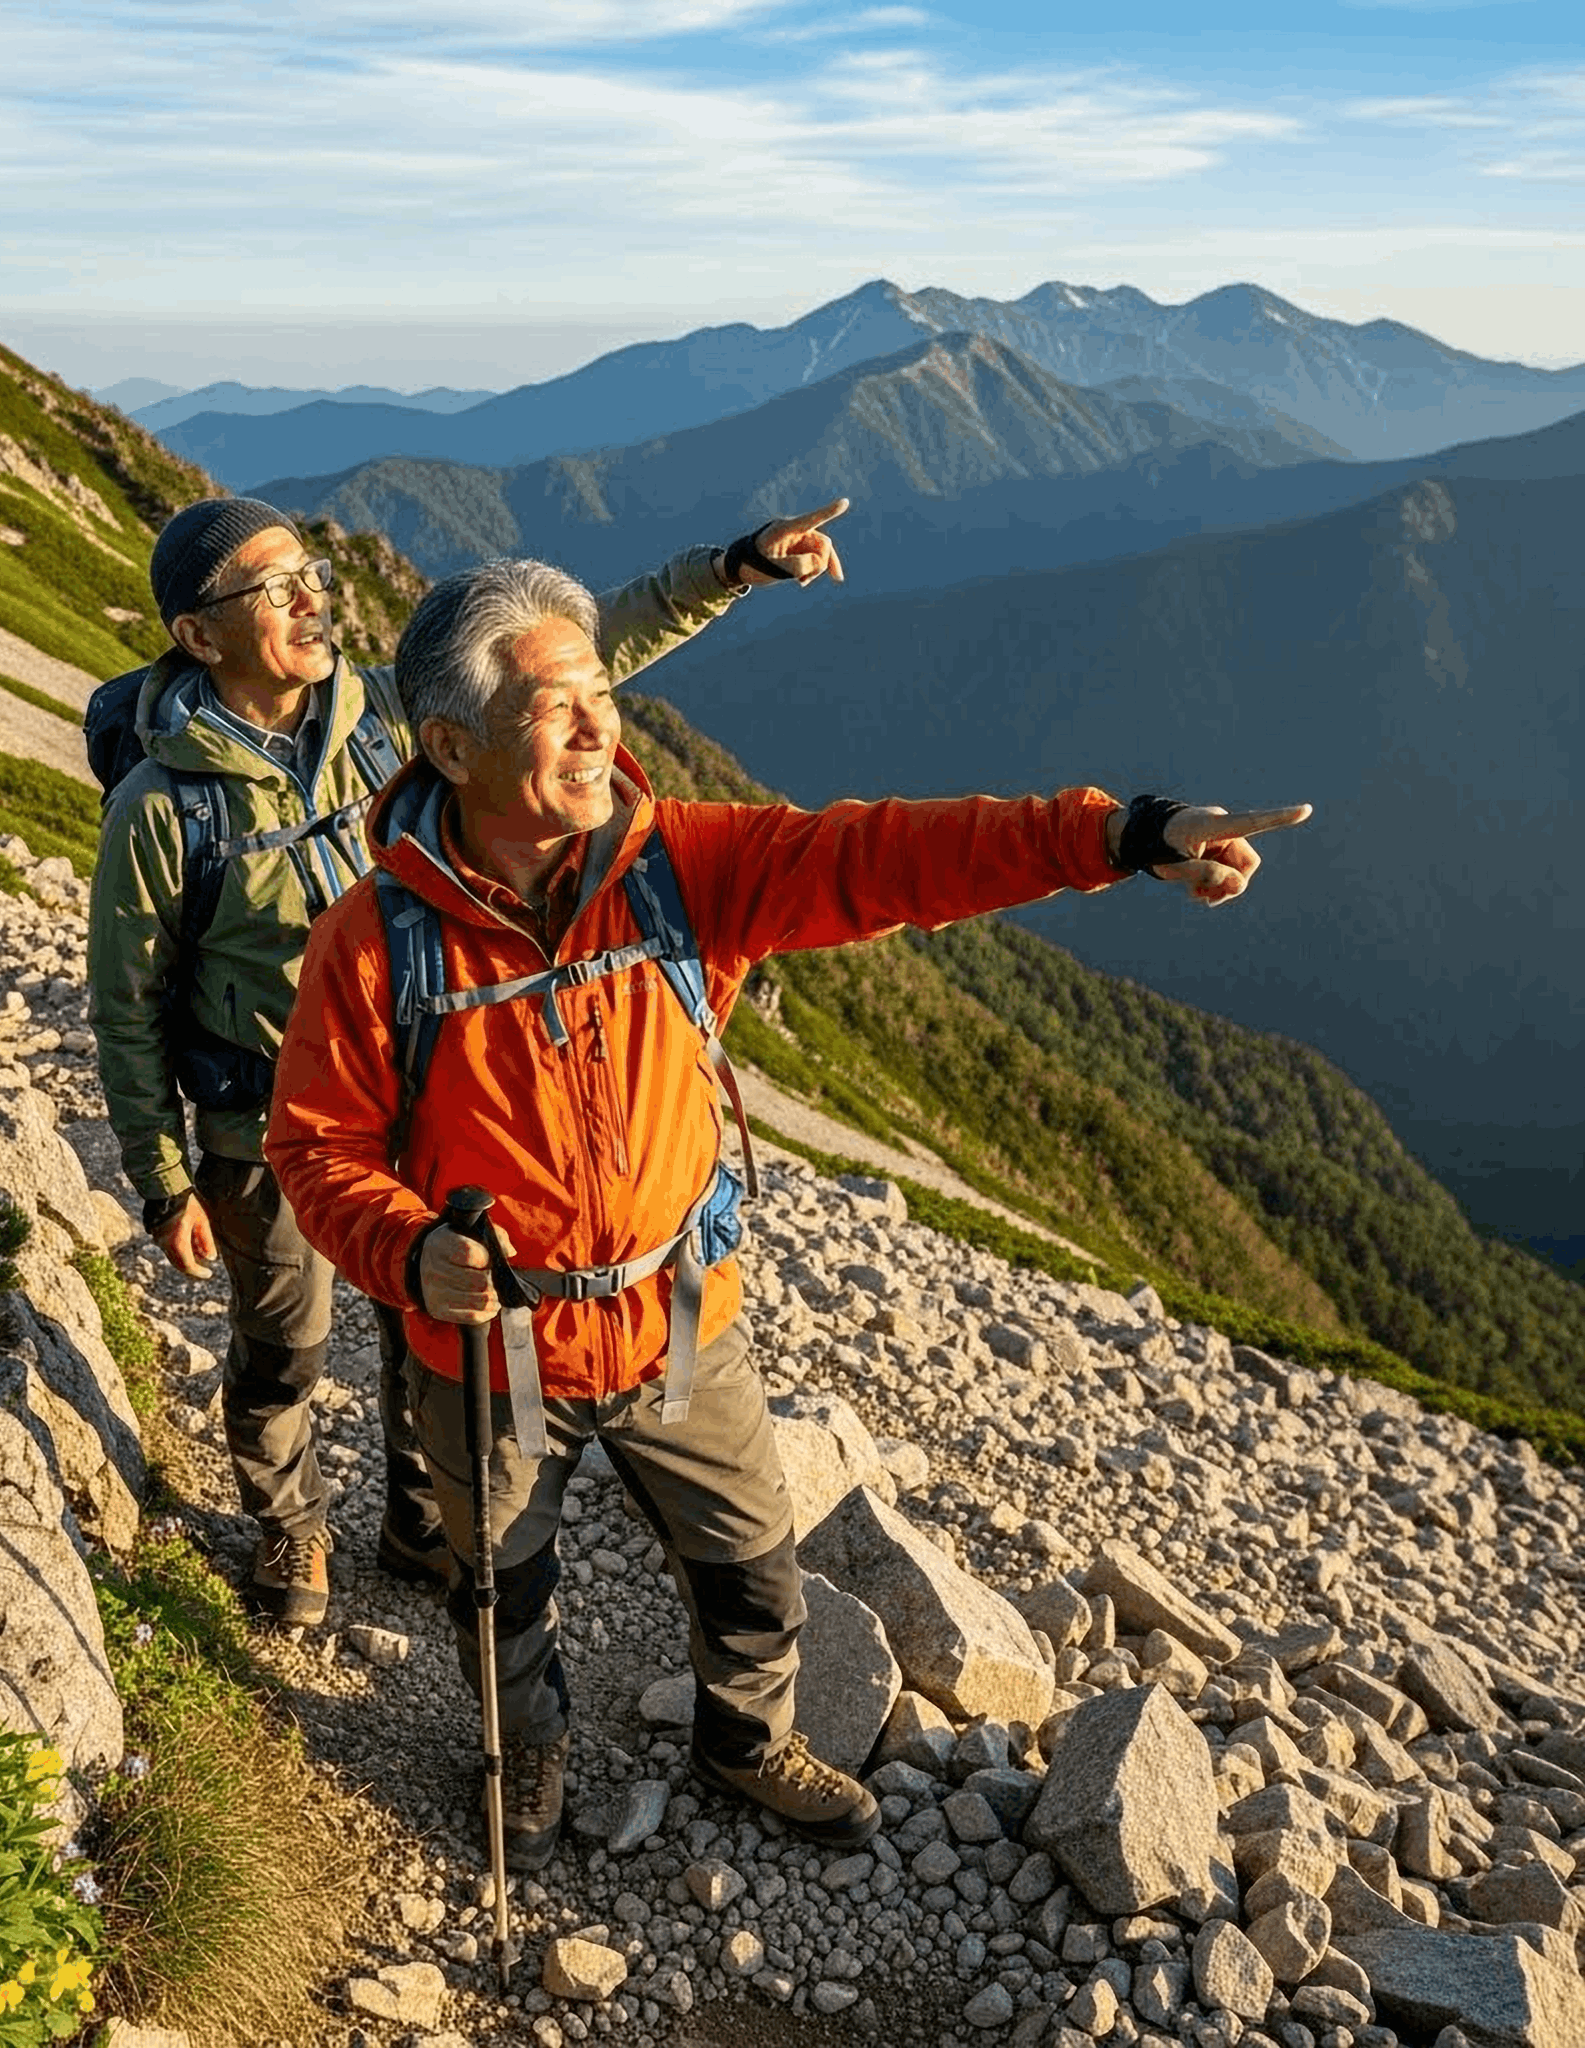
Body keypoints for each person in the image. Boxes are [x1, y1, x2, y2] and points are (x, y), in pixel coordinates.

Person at [264, 553, 1309, 1862]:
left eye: (601, 694)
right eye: (553, 706)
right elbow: (315, 1146)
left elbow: (887, 856)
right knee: (502, 1586)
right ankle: (525, 1755)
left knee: (751, 1556)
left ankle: (744, 1737)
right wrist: (411, 1250)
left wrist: (1115, 836)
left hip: (676, 1313)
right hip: (494, 1342)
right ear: (451, 745)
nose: (597, 729)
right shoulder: (374, 941)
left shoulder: (682, 869)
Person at [87, 495, 852, 1628]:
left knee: (436, 1332)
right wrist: (162, 1180)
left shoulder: (385, 715)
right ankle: (290, 1520)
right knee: (285, 1341)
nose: (310, 597)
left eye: (309, 571)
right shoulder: (162, 807)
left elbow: (580, 646)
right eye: (270, 588)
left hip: (430, 1111)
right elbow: (128, 1001)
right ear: (199, 634)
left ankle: (420, 1515)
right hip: (270, 1129)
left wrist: (728, 569)